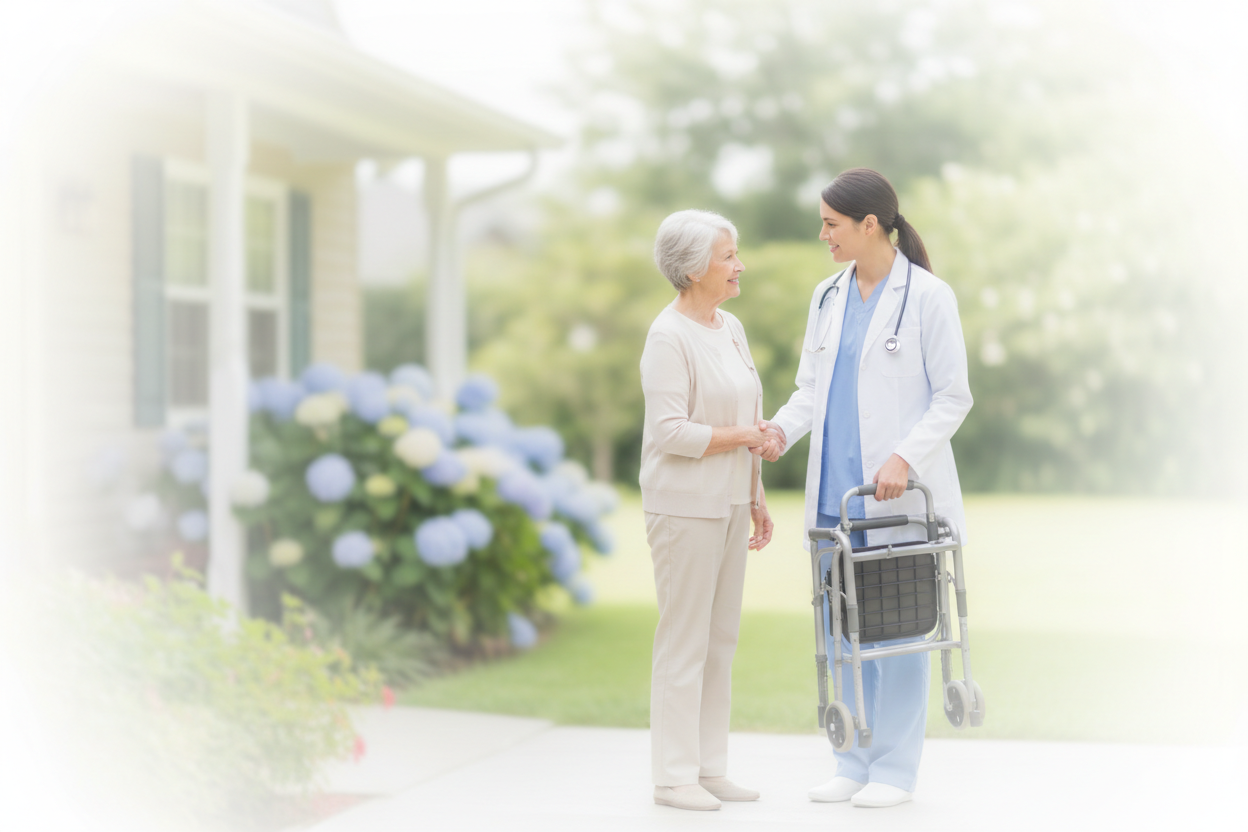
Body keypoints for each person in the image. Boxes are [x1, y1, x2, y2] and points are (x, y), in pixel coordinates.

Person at [755, 168, 972, 808]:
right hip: (835, 494)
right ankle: (850, 758)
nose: (823, 235)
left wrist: (904, 455)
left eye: (831, 224)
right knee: (838, 632)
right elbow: (809, 390)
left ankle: (894, 772)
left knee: (898, 629)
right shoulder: (827, 295)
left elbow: (954, 396)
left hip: (893, 498)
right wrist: (778, 433)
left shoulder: (929, 297)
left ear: (869, 225)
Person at [639, 209, 775, 812]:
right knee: (684, 641)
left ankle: (709, 767)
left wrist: (756, 498)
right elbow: (671, 432)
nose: (738, 264)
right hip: (683, 509)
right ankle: (672, 777)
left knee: (721, 639)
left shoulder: (731, 327)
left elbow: (749, 418)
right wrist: (741, 437)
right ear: (694, 270)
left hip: (729, 501)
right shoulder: (667, 336)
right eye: (728, 256)